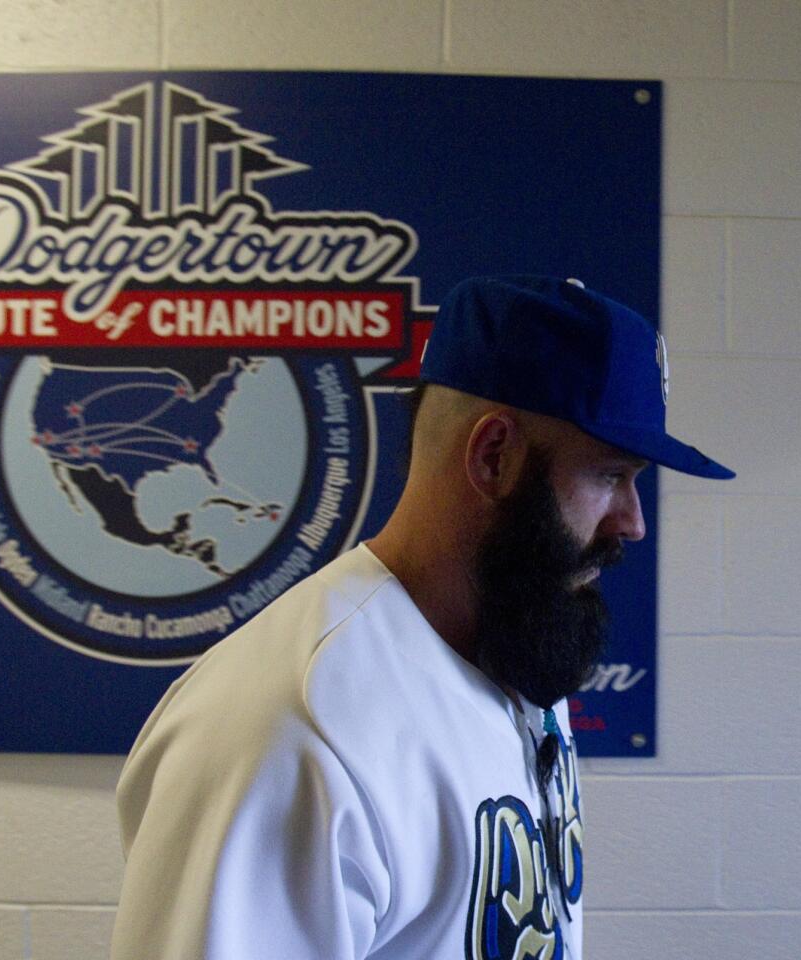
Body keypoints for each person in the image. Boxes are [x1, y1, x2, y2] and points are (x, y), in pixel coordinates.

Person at [110, 275, 733, 960]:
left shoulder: (514, 649)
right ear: (493, 456)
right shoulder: (287, 729)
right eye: (608, 475)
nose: (633, 523)